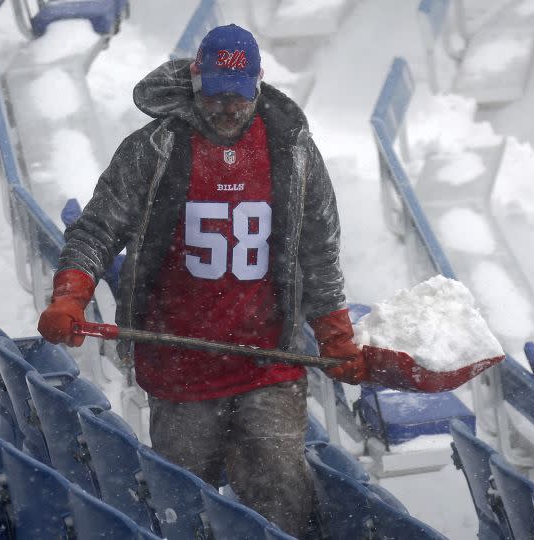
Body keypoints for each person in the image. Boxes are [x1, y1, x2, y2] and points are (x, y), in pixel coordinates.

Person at [37, 23, 367, 537]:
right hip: (178, 362)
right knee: (185, 508)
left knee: (282, 499)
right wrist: (71, 294)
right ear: (195, 82)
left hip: (268, 360)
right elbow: (98, 228)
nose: (227, 108)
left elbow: (319, 251)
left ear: (258, 85)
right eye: (214, 95)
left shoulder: (291, 151)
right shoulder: (155, 148)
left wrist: (334, 332)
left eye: (238, 96)